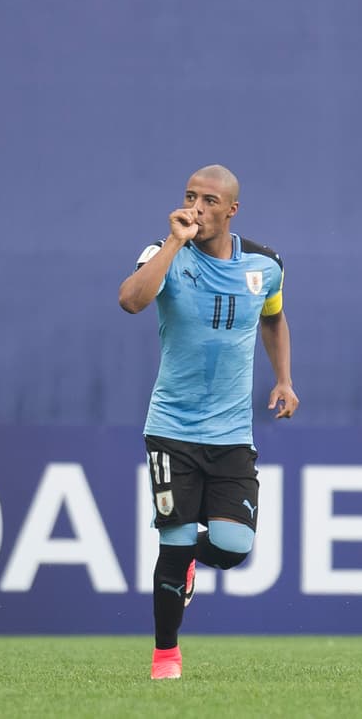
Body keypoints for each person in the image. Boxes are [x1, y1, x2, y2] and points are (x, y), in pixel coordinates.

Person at [118, 164, 298, 681]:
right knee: (172, 545)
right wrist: (175, 244)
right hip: (171, 429)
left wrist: (283, 379)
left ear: (232, 210)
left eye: (210, 201)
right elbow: (131, 301)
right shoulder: (163, 254)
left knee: (233, 547)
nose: (198, 207)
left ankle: (184, 565)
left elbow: (273, 318)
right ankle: (165, 658)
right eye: (191, 196)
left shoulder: (265, 266)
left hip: (231, 435)